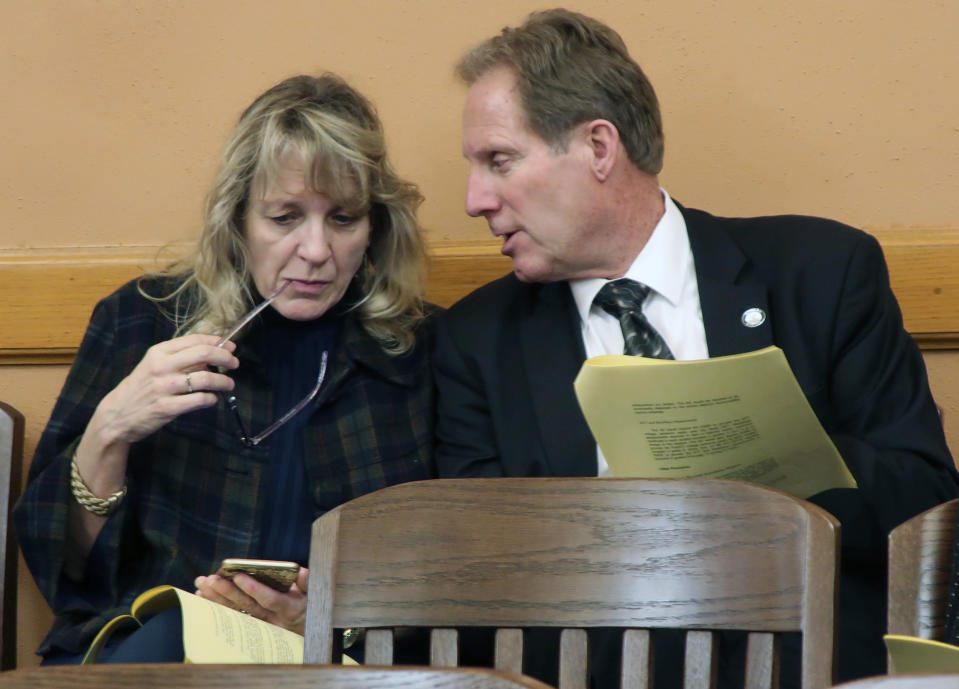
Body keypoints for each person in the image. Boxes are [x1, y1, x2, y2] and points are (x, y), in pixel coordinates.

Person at [432, 8, 959, 687]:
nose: (475, 199)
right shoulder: (475, 339)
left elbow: (926, 500)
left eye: (499, 161)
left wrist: (787, 462)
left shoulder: (822, 273)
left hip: (809, 668)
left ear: (598, 147)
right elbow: (472, 568)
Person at [14, 73, 435, 663]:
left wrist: (328, 624)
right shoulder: (139, 321)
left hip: (338, 666)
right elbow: (61, 563)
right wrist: (110, 428)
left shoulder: (422, 353)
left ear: (375, 229)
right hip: (152, 655)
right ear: (237, 220)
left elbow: (453, 577)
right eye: (285, 218)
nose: (316, 251)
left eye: (342, 219)